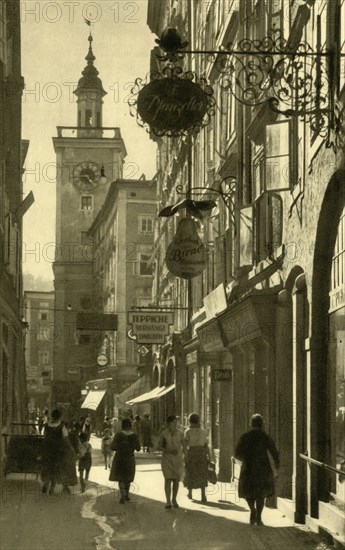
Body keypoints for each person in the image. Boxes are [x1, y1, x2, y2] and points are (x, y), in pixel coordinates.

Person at [235, 413, 280, 526]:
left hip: (248, 467)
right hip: (263, 467)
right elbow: (274, 452)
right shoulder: (265, 436)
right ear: (262, 424)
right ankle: (259, 516)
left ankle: (252, 510)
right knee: (260, 493)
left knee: (248, 491)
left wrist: (244, 460)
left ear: (251, 424)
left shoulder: (245, 436)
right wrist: (276, 465)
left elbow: (237, 453)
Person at [40, 408, 78, 495]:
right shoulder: (61, 426)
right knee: (57, 468)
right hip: (58, 451)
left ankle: (46, 483)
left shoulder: (47, 425)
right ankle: (52, 488)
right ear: (59, 417)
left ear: (52, 416)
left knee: (48, 466)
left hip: (48, 450)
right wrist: (71, 448)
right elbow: (66, 439)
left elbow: (45, 436)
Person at [109, 418, 141, 503]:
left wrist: (121, 446)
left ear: (122, 425)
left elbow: (112, 446)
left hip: (119, 457)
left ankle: (122, 495)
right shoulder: (134, 435)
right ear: (130, 425)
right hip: (129, 458)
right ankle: (126, 495)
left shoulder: (118, 435)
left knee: (121, 478)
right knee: (128, 478)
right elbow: (138, 448)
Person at [159, 415, 184, 509]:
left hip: (178, 459)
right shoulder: (164, 434)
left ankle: (174, 499)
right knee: (168, 479)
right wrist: (168, 450)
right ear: (168, 423)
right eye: (173, 422)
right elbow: (159, 446)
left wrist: (186, 454)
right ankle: (168, 501)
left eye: (176, 422)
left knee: (176, 480)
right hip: (167, 459)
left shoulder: (180, 433)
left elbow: (184, 445)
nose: (175, 424)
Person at [184, 413, 210, 502]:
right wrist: (209, 456)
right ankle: (203, 495)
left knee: (190, 472)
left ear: (190, 421)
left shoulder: (188, 431)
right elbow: (206, 445)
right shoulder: (203, 431)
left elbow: (185, 445)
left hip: (192, 453)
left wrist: (185, 455)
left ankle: (190, 493)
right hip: (201, 453)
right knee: (202, 473)